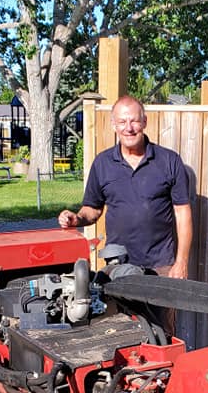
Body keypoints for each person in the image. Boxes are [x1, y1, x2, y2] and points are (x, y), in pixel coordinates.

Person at [58, 95, 193, 279]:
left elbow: (182, 213)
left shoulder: (169, 161)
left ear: (144, 122)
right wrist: (77, 219)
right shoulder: (102, 163)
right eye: (122, 122)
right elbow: (93, 209)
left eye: (134, 121)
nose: (128, 128)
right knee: (118, 309)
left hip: (161, 266)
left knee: (160, 309)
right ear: (114, 125)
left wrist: (181, 262)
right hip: (118, 265)